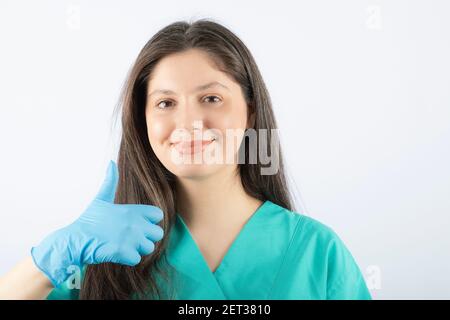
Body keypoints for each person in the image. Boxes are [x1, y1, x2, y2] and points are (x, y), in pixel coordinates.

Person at [0, 19, 371, 300]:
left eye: (211, 98)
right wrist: (48, 259)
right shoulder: (106, 256)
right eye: (166, 103)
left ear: (251, 114)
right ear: (142, 121)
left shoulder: (316, 253)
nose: (189, 123)